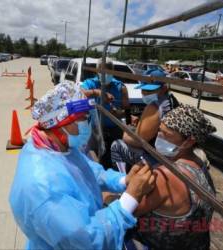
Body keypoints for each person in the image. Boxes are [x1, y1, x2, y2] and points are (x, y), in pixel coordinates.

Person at [9, 83, 156, 250]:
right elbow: (87, 240)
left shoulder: (58, 147)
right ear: (62, 122)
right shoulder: (42, 186)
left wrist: (123, 180)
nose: (87, 123)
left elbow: (90, 171)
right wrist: (131, 197)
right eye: (83, 118)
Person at [131, 104, 216, 250]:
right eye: (159, 131)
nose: (159, 138)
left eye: (166, 135)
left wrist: (132, 181)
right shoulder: (200, 163)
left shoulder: (166, 175)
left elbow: (132, 210)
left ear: (189, 141)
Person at [111, 69, 179, 171]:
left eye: (150, 90)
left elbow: (138, 142)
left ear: (164, 88)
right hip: (170, 154)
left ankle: (125, 181)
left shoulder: (155, 106)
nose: (144, 93)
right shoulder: (171, 100)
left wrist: (125, 133)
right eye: (143, 89)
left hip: (158, 159)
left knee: (116, 145)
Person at [80, 58, 131, 167]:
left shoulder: (120, 87)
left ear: (112, 72)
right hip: (94, 128)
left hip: (114, 128)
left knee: (115, 156)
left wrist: (118, 113)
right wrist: (97, 92)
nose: (106, 75)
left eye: (109, 72)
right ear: (97, 71)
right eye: (103, 72)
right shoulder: (90, 83)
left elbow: (126, 110)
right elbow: (80, 93)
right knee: (93, 155)